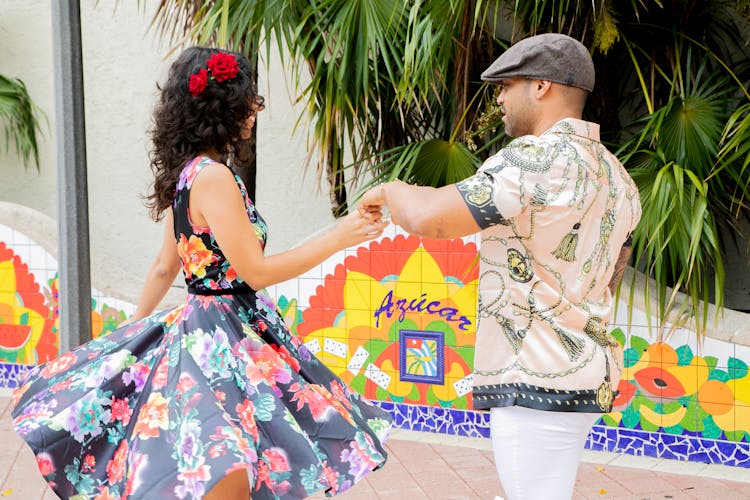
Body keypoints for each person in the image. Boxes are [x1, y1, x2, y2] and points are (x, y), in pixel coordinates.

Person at [12, 46, 392, 500]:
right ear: (224, 106)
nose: (255, 108)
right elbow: (254, 271)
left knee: (216, 461)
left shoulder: (190, 176)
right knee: (230, 461)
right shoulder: (214, 178)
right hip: (224, 336)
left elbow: (162, 267)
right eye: (249, 98)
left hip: (207, 329)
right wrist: (341, 236)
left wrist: (135, 331)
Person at [359, 33, 641, 500]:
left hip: (534, 376)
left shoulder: (533, 159)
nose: (498, 98)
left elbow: (431, 220)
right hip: (587, 371)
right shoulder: (617, 176)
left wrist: (389, 190)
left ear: (541, 87)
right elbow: (612, 270)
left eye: (506, 85)